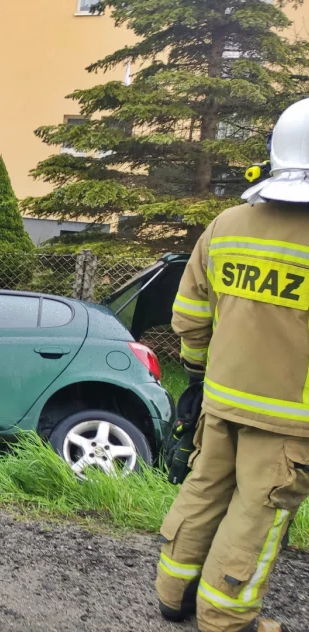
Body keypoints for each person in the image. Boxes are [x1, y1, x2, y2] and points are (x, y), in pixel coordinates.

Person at [156, 98, 309, 632]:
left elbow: (190, 317)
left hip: (220, 400)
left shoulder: (227, 225)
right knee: (257, 512)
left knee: (204, 490)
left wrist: (197, 378)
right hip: (290, 417)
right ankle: (227, 618)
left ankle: (173, 593)